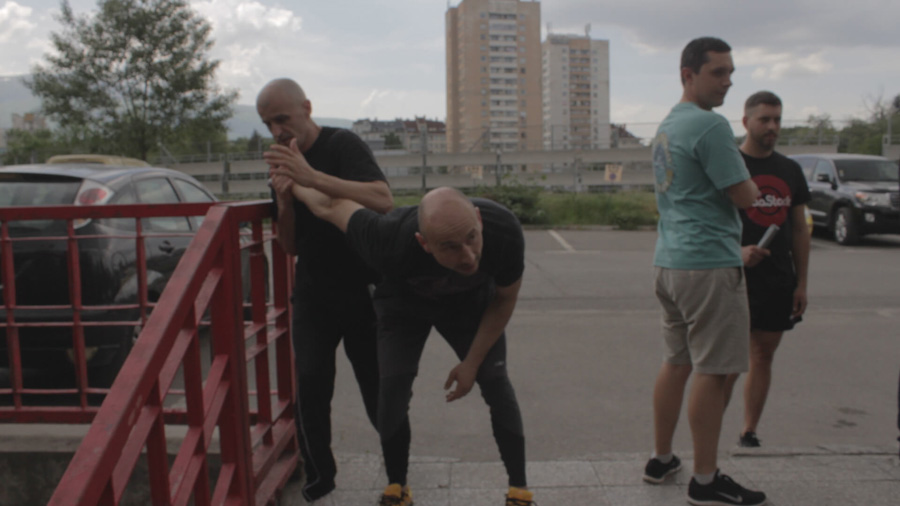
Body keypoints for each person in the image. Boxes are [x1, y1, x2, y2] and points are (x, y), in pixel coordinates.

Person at [266, 160, 533, 506]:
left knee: (495, 382)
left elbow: (504, 299)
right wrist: (296, 183)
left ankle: (519, 491)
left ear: (479, 220)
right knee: (391, 390)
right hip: (404, 306)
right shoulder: (387, 239)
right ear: (424, 243)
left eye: (471, 238)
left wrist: (471, 364)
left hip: (469, 306)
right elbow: (331, 206)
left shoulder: (504, 232)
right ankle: (397, 487)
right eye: (450, 246)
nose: (468, 256)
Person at [257, 78, 393, 505]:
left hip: (362, 288)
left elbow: (383, 199)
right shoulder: (283, 163)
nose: (277, 131)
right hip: (313, 291)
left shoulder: (342, 144)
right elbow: (290, 246)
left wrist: (312, 177)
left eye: (282, 118)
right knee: (311, 386)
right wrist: (284, 203)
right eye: (267, 124)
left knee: (377, 387)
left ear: (307, 108)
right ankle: (320, 479)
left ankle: (398, 472)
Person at [643, 37, 767, 506]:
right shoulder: (710, 125)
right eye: (718, 72)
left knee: (676, 361)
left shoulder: (667, 125)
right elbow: (745, 195)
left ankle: (661, 459)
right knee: (713, 372)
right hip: (709, 264)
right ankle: (706, 480)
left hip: (670, 261)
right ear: (688, 74)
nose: (728, 81)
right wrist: (750, 182)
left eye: (731, 72)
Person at [722, 91, 811, 448]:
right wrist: (736, 252)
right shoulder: (730, 165)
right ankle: (709, 434)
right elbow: (709, 224)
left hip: (777, 279)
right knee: (727, 362)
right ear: (746, 122)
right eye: (765, 120)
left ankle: (749, 430)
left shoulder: (790, 170)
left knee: (763, 355)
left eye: (777, 119)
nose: (772, 126)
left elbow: (800, 229)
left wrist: (801, 283)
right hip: (734, 277)